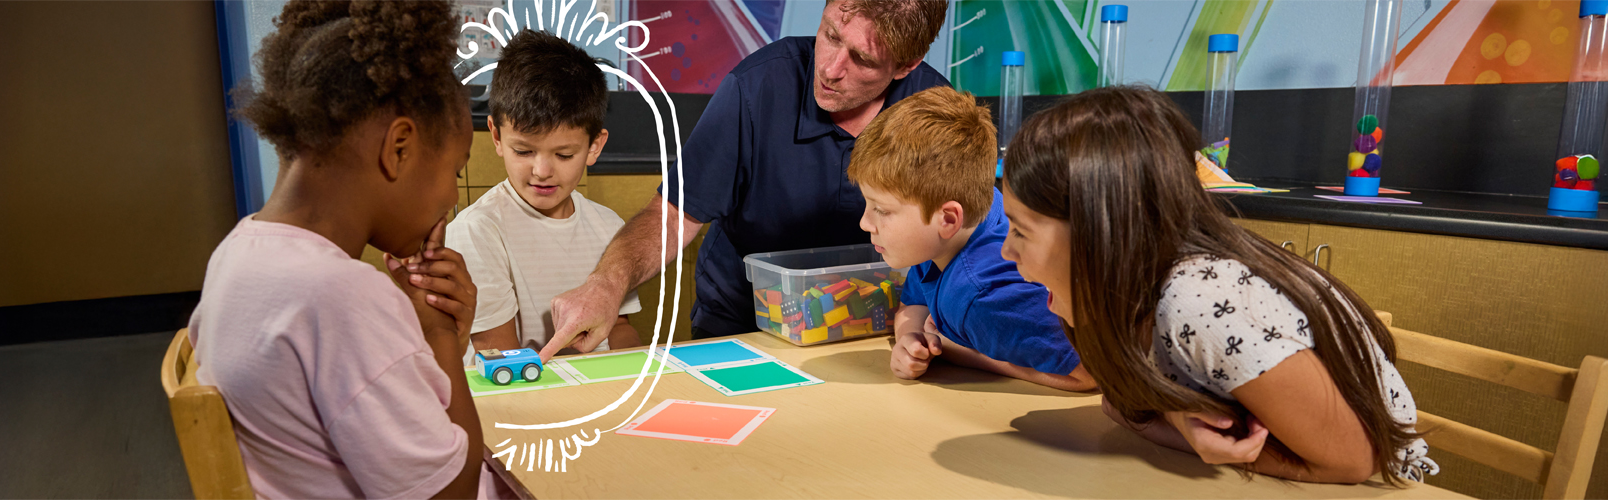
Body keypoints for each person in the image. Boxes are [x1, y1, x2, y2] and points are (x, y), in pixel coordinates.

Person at [998, 86, 1438, 484]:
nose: (1005, 252)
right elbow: (1119, 404)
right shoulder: (1117, 298)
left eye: (1019, 230)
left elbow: (1352, 460)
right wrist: (1176, 418)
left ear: (1101, 232)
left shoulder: (1199, 302)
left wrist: (1181, 434)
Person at [186, 1, 507, 497]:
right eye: (455, 171)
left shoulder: (236, 251)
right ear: (399, 147)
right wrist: (440, 334)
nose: (449, 198)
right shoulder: (340, 295)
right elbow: (451, 493)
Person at [543, 0, 950, 360]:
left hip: (881, 329)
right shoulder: (758, 87)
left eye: (861, 59)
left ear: (905, 66)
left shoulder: (936, 111)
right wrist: (606, 285)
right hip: (744, 327)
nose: (829, 68)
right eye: (829, 34)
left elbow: (964, 237)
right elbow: (672, 216)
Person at [847, 87, 1094, 391]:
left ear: (949, 219)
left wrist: (960, 352)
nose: (864, 222)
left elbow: (1086, 372)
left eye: (882, 210)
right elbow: (914, 303)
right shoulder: (966, 216)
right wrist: (911, 338)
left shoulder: (984, 301)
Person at [446, 28, 641, 364]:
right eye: (523, 151)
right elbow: (500, 355)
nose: (542, 170)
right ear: (496, 135)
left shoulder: (609, 225)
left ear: (594, 145)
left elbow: (619, 329)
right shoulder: (477, 231)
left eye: (564, 155)